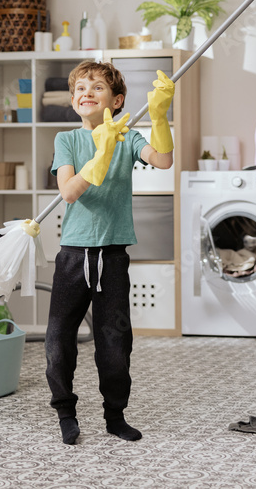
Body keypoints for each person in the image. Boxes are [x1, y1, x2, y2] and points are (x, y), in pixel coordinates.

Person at [46, 60, 175, 444]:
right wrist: (100, 155)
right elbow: (69, 192)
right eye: (80, 88)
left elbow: (163, 159)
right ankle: (65, 413)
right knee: (58, 342)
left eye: (97, 87)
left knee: (115, 345)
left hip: (112, 259)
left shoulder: (128, 138)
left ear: (117, 101)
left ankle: (115, 415)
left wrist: (159, 117)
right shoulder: (66, 140)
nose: (86, 92)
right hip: (72, 257)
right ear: (73, 100)